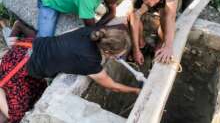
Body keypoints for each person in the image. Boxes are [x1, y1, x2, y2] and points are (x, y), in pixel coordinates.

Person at [0, 21, 139, 123]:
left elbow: (119, 27)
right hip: (17, 67)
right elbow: (112, 86)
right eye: (118, 56)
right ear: (108, 52)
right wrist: (135, 91)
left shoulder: (93, 32)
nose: (119, 58)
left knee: (37, 94)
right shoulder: (90, 62)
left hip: (26, 49)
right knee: (16, 117)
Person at [128, 0, 178, 65]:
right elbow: (134, 19)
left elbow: (171, 17)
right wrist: (136, 50)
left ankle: (159, 46)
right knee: (131, 15)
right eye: (148, 1)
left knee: (164, 18)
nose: (152, 4)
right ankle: (142, 44)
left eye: (154, 0)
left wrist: (168, 46)